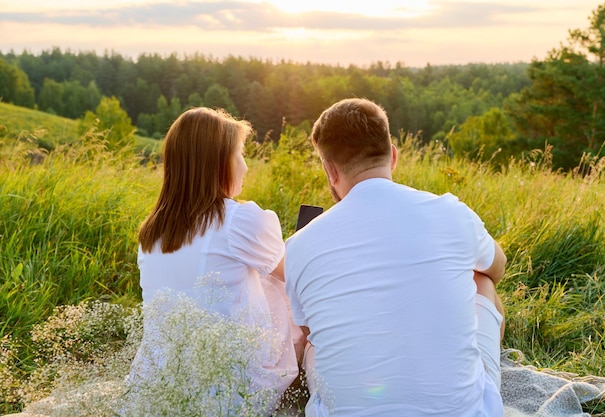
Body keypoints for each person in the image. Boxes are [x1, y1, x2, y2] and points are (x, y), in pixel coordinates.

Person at [285, 98, 507, 416]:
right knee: (482, 280)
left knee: (315, 345)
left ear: (330, 170)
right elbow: (496, 268)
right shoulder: (452, 212)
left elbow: (312, 334)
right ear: (393, 155)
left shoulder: (300, 245)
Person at [127, 107, 302, 414]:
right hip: (226, 389)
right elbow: (300, 276)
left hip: (159, 383)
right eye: (240, 155)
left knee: (252, 274)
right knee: (278, 283)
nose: (245, 167)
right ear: (217, 163)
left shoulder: (152, 232)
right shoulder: (238, 220)